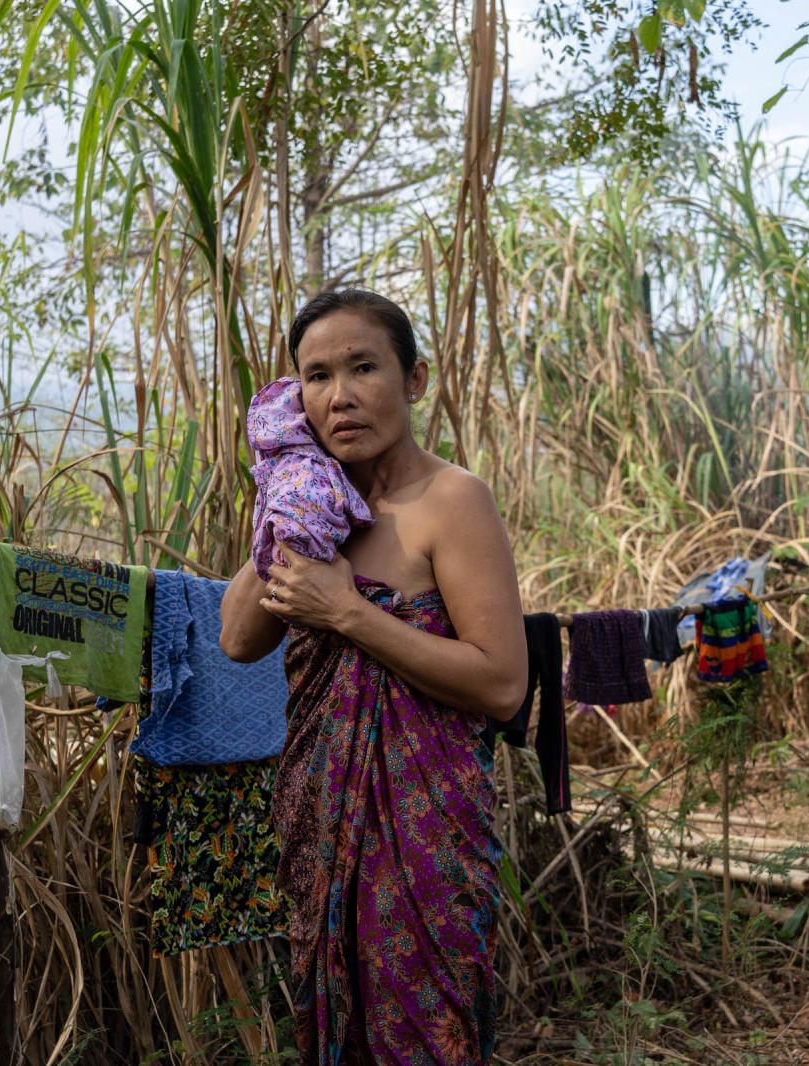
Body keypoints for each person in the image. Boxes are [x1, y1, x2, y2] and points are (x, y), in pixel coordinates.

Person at [220, 288, 528, 1065]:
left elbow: (500, 683)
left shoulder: (451, 502)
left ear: (415, 379)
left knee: (428, 1028)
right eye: (316, 377)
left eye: (364, 367)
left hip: (426, 827)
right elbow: (236, 639)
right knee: (336, 1021)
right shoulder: (310, 509)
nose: (340, 396)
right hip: (320, 815)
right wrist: (288, 501)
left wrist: (348, 611)